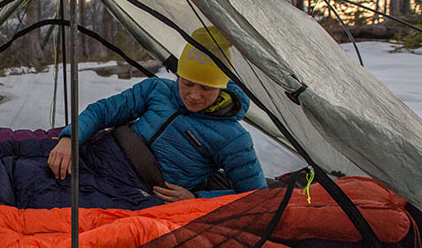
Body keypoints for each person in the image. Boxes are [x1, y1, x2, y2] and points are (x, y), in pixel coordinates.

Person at [48, 26, 266, 201]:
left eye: (206, 88)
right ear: (179, 76)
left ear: (222, 88)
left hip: (132, 187)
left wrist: (196, 198)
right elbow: (104, 111)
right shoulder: (158, 89)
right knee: (25, 161)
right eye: (187, 83)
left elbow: (256, 195)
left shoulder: (233, 138)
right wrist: (70, 137)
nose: (194, 96)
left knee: (40, 191)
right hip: (100, 151)